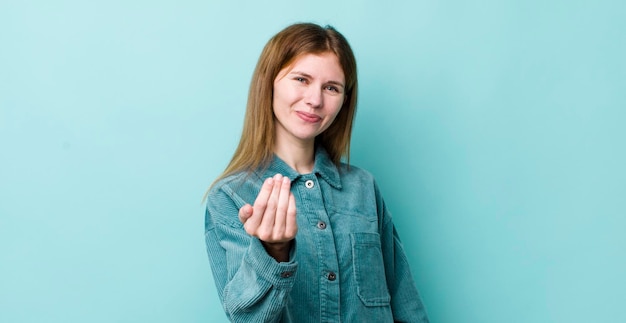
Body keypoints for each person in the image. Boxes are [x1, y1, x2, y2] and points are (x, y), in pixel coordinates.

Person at [204, 22, 429, 322]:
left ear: (344, 101)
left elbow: (405, 302)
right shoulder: (231, 197)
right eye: (301, 79)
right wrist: (273, 252)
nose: (315, 100)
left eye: (331, 88)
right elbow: (247, 317)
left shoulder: (363, 187)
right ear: (269, 82)